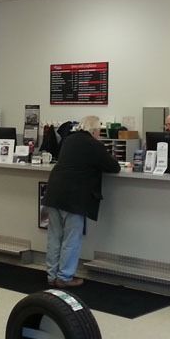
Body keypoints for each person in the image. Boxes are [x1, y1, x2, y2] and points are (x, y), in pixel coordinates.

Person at [42, 116, 120, 287]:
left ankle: (51, 275)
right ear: (94, 131)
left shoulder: (68, 140)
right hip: (74, 198)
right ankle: (64, 277)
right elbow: (114, 167)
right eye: (99, 130)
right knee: (71, 238)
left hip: (54, 192)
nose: (100, 134)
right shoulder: (94, 145)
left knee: (54, 236)